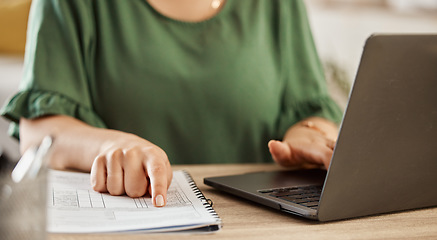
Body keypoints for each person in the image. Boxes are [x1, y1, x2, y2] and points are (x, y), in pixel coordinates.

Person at [1, 0, 343, 207]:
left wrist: (310, 137)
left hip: (260, 228)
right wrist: (110, 145)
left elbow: (310, 110)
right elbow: (39, 132)